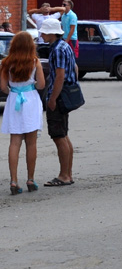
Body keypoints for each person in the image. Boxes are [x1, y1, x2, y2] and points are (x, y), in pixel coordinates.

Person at [1, 32, 47, 194]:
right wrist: (30, 86)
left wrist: (13, 91)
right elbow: (41, 85)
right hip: (30, 100)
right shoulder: (35, 62)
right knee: (31, 143)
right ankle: (30, 179)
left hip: (14, 100)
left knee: (14, 142)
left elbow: (2, 87)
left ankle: (13, 181)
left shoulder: (6, 62)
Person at [38, 17, 77, 187]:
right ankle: (68, 173)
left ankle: (64, 175)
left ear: (51, 33)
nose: (42, 34)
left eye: (44, 32)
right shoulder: (64, 46)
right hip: (64, 95)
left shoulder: (57, 50)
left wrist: (53, 98)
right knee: (64, 135)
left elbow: (59, 75)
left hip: (58, 96)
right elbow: (74, 69)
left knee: (58, 136)